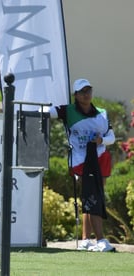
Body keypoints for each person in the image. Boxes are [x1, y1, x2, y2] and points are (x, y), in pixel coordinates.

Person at [47, 78, 115, 252]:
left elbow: (111, 138)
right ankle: (100, 240)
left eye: (88, 91)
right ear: (75, 95)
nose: (86, 94)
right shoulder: (67, 111)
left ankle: (86, 239)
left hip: (101, 158)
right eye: (82, 92)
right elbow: (46, 112)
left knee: (92, 197)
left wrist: (101, 140)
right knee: (93, 197)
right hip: (81, 161)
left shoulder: (101, 113)